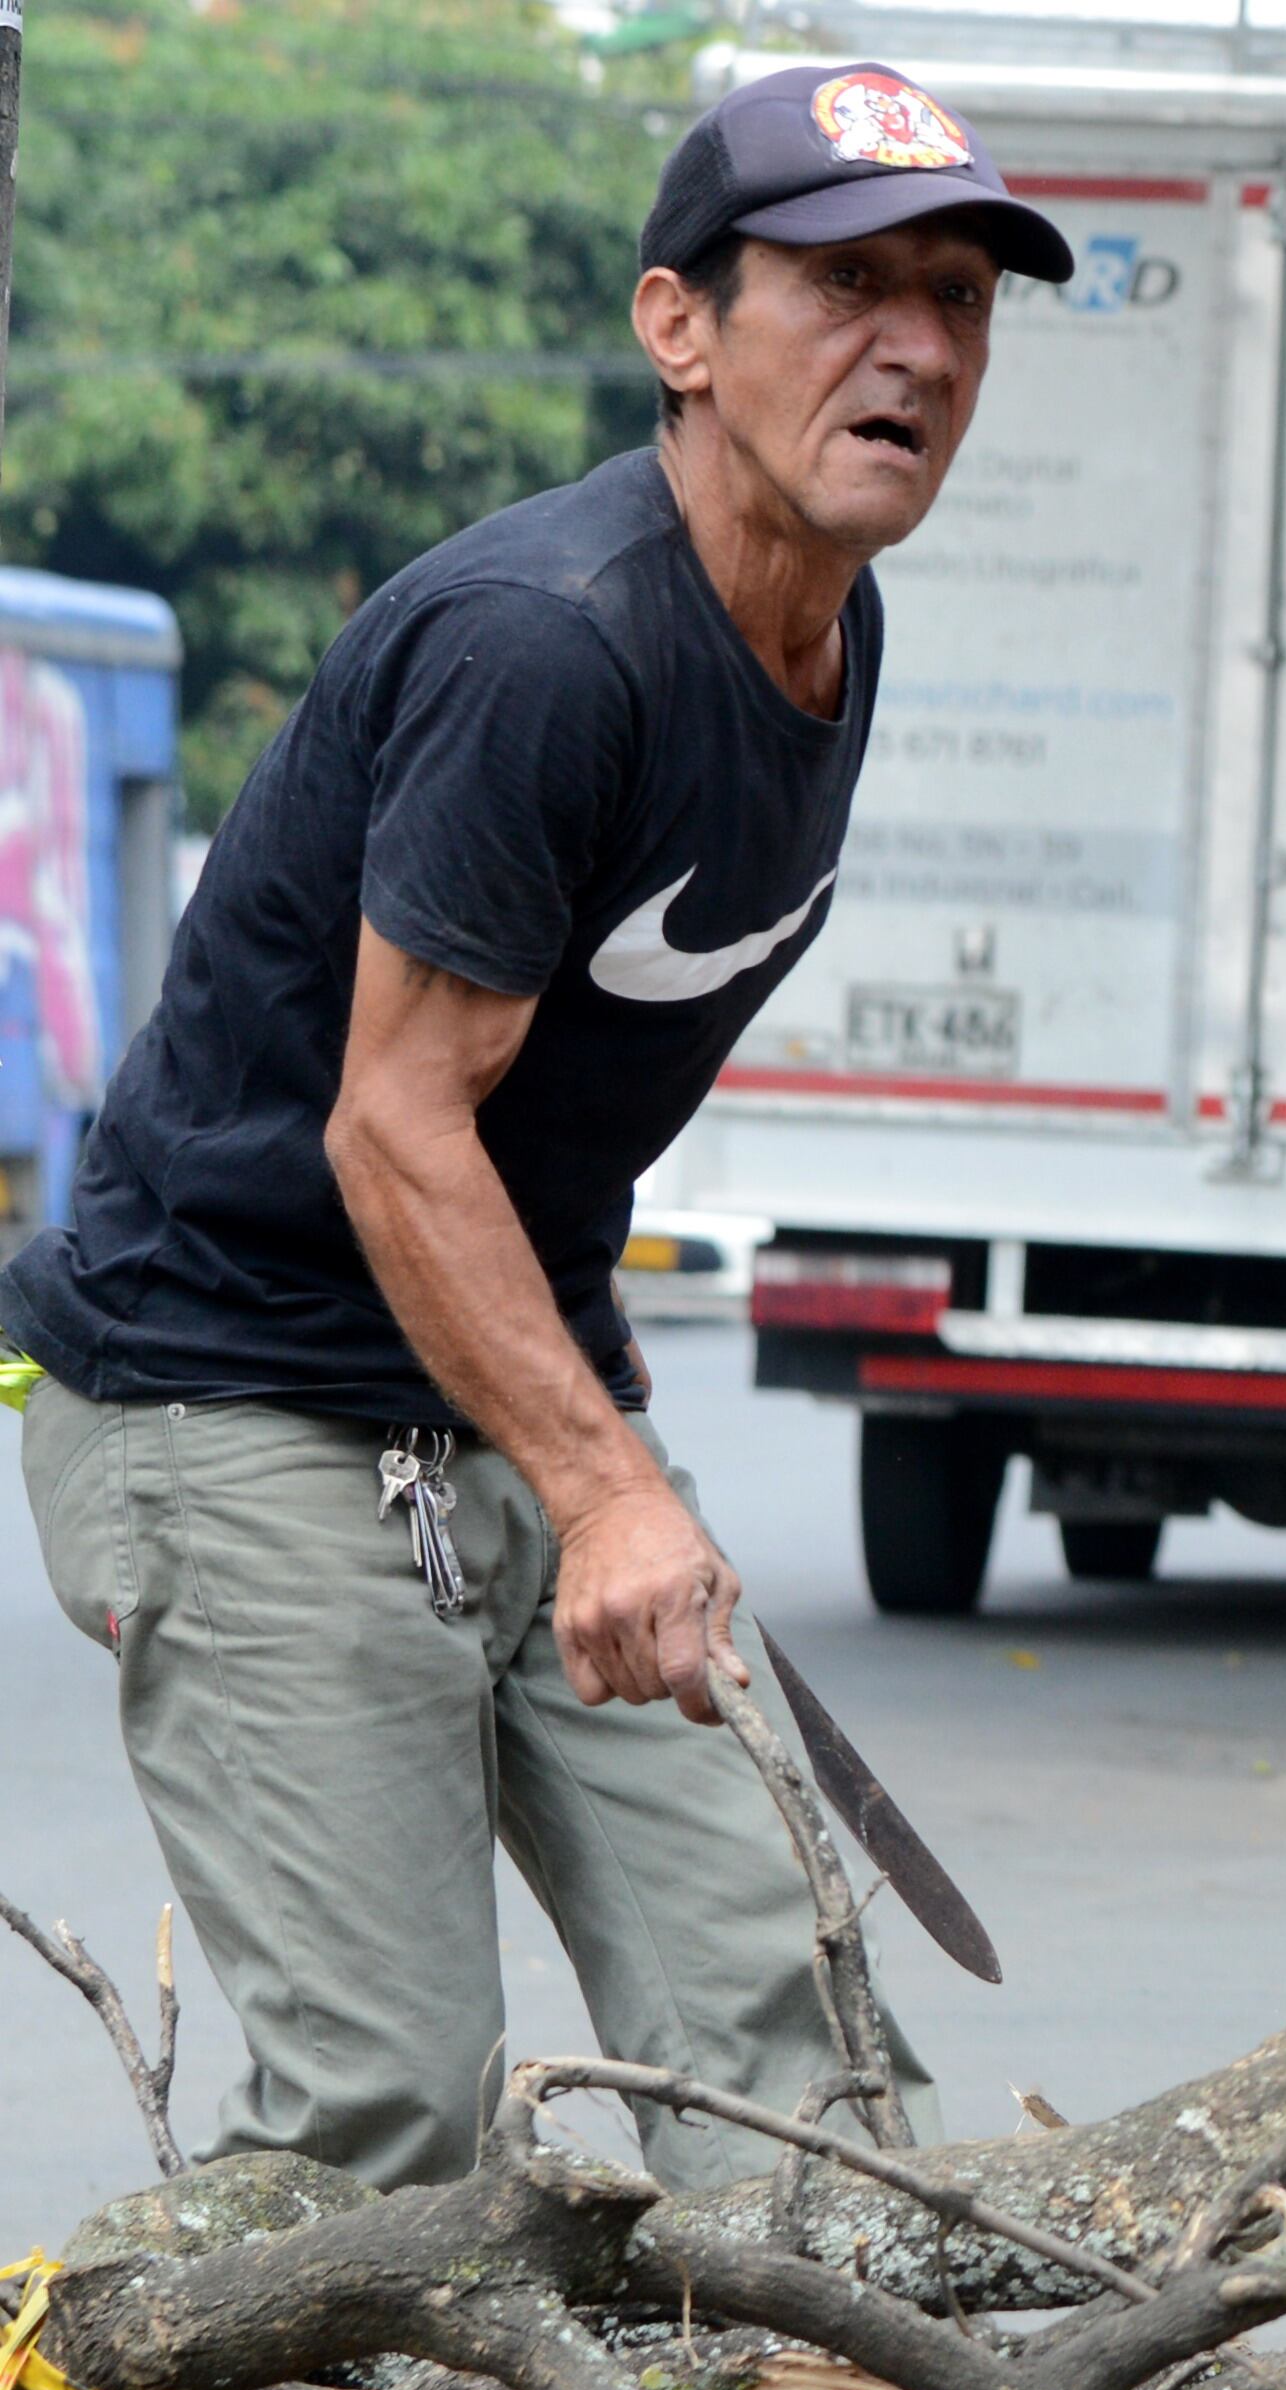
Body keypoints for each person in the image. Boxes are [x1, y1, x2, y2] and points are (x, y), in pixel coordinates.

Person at [0, 66, 1073, 2181]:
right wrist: (606, 1486)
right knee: (385, 2105)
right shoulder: (549, 642)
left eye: (956, 297)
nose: (921, 349)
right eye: (849, 284)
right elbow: (395, 1125)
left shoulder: (830, 638)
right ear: (682, 328)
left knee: (808, 2058)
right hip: (234, 1395)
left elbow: (556, 1080)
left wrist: (571, 1376)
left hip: (490, 1380)